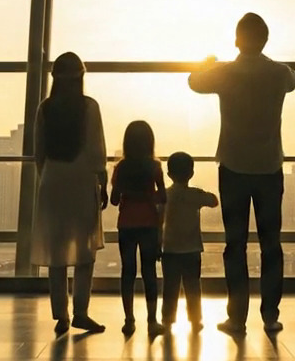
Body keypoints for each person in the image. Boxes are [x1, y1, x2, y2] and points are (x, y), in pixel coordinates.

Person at [188, 13, 295, 335]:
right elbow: (294, 80)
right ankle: (270, 315)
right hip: (269, 167)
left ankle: (237, 318)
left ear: (236, 40)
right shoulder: (278, 73)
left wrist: (207, 62)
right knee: (271, 244)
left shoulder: (225, 73)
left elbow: (194, 83)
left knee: (234, 245)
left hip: (234, 167)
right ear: (265, 40)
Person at [32, 52, 108, 335]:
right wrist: (101, 179)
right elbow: (95, 148)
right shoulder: (89, 107)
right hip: (80, 178)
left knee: (57, 252)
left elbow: (39, 151)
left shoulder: (45, 108)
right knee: (85, 250)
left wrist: (47, 177)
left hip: (52, 180)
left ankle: (61, 315)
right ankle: (81, 312)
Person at [110, 120, 167, 337]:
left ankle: (129, 320)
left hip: (126, 224)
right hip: (149, 223)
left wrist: (127, 193)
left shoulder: (121, 168)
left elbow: (115, 200)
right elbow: (163, 197)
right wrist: (147, 196)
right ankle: (152, 321)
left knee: (128, 272)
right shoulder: (154, 167)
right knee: (149, 272)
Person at [160, 151, 219, 331]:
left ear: (169, 174)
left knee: (170, 286)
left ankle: (168, 319)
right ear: (191, 173)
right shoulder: (195, 195)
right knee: (193, 286)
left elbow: (157, 218)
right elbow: (214, 201)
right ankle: (195, 319)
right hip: (192, 249)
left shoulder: (165, 196)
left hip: (169, 249)